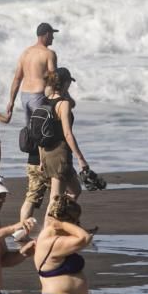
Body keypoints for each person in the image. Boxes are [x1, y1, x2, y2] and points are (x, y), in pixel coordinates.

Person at [7, 23, 59, 226]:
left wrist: (10, 101)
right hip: (38, 94)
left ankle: (34, 162)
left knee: (31, 129)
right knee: (42, 130)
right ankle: (41, 163)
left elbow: (17, 77)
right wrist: (56, 99)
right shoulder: (49, 53)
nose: (53, 38)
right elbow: (53, 78)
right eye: (52, 35)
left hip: (24, 95)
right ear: (45, 35)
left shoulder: (26, 52)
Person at [34, 194, 94, 294]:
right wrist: (63, 225)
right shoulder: (51, 241)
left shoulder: (55, 237)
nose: (78, 224)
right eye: (76, 221)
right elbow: (84, 238)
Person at [40, 67, 90, 206]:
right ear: (65, 83)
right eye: (69, 83)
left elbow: (40, 131)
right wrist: (80, 158)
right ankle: (48, 226)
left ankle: (64, 221)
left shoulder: (44, 101)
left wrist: (41, 160)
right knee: (55, 198)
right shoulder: (63, 104)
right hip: (59, 154)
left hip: (46, 153)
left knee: (75, 191)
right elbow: (67, 134)